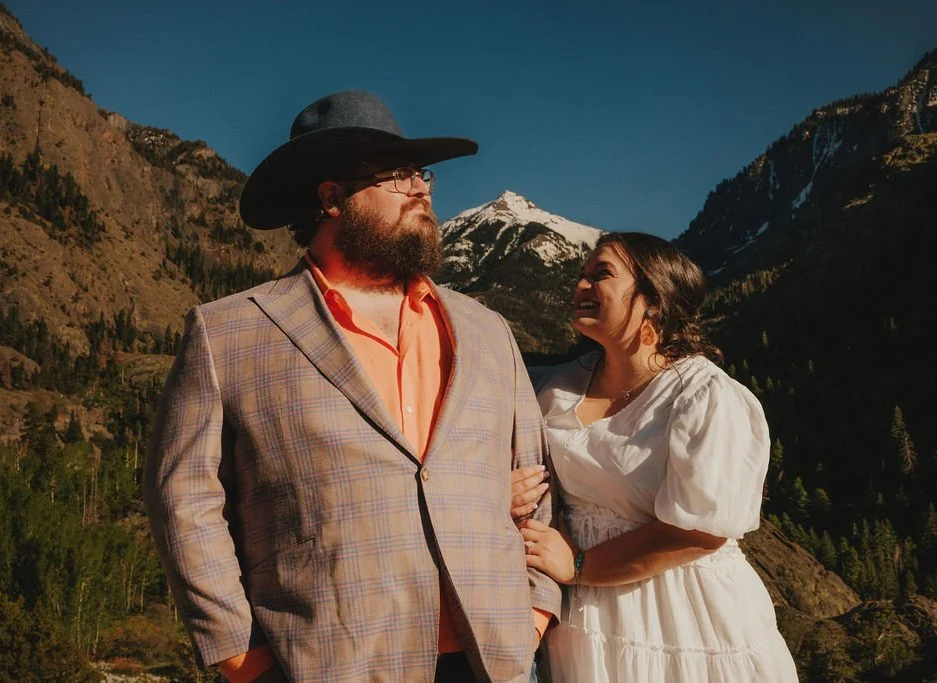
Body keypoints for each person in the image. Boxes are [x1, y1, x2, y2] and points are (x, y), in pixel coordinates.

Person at [145, 90, 560, 683]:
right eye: (396, 177)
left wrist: (535, 613)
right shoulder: (227, 332)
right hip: (328, 662)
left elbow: (535, 475)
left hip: (495, 656)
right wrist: (244, 661)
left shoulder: (486, 329)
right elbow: (182, 502)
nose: (421, 189)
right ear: (332, 197)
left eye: (423, 175)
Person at [510, 232, 797, 682]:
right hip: (587, 624)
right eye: (581, 275)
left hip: (683, 617)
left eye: (600, 274)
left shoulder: (704, 395)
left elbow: (700, 534)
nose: (581, 286)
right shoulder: (556, 387)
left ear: (654, 301)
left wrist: (581, 565)